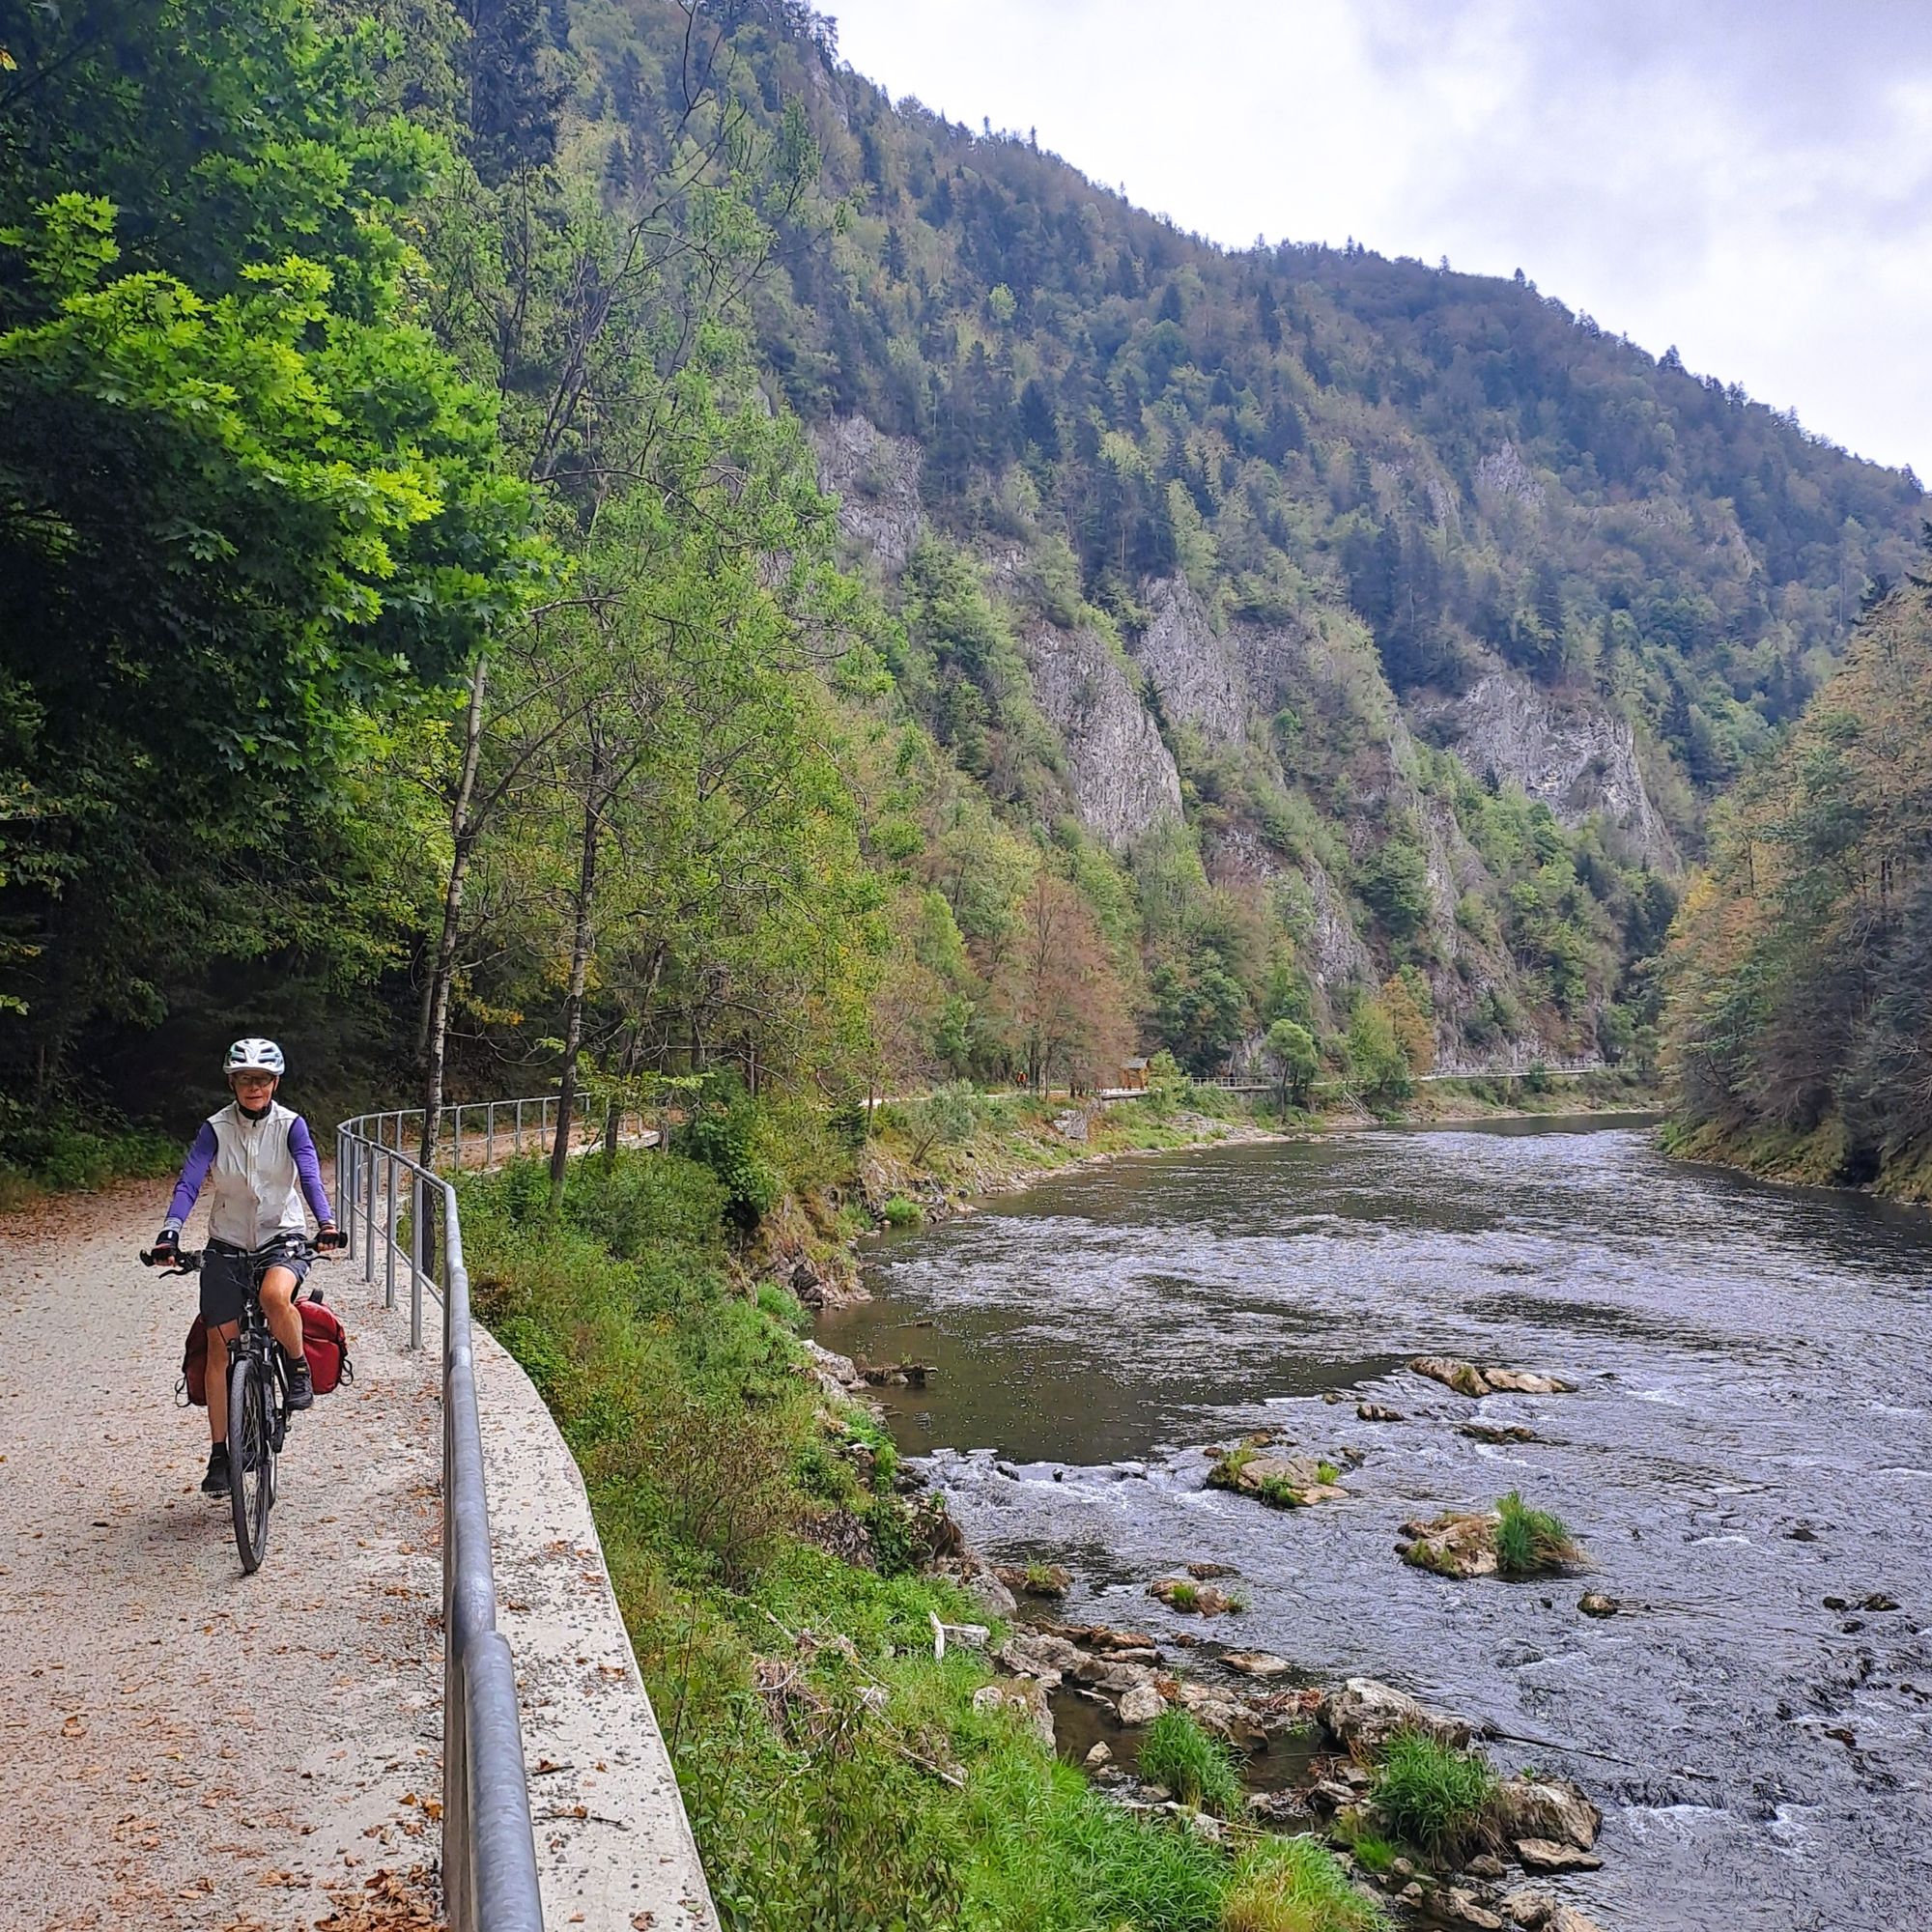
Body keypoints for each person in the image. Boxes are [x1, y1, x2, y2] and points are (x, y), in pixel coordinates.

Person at [150, 1038, 342, 1494]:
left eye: (261, 1079)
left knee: (275, 1295)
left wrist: (326, 1223)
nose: (253, 1087)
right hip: (228, 1240)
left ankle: (297, 1367)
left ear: (275, 1083)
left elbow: (309, 1174)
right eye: (243, 1079)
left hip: (282, 1234)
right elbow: (190, 1180)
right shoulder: (215, 1129)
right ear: (232, 1083)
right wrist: (170, 1232)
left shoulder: (290, 1125)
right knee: (220, 1348)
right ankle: (221, 1453)